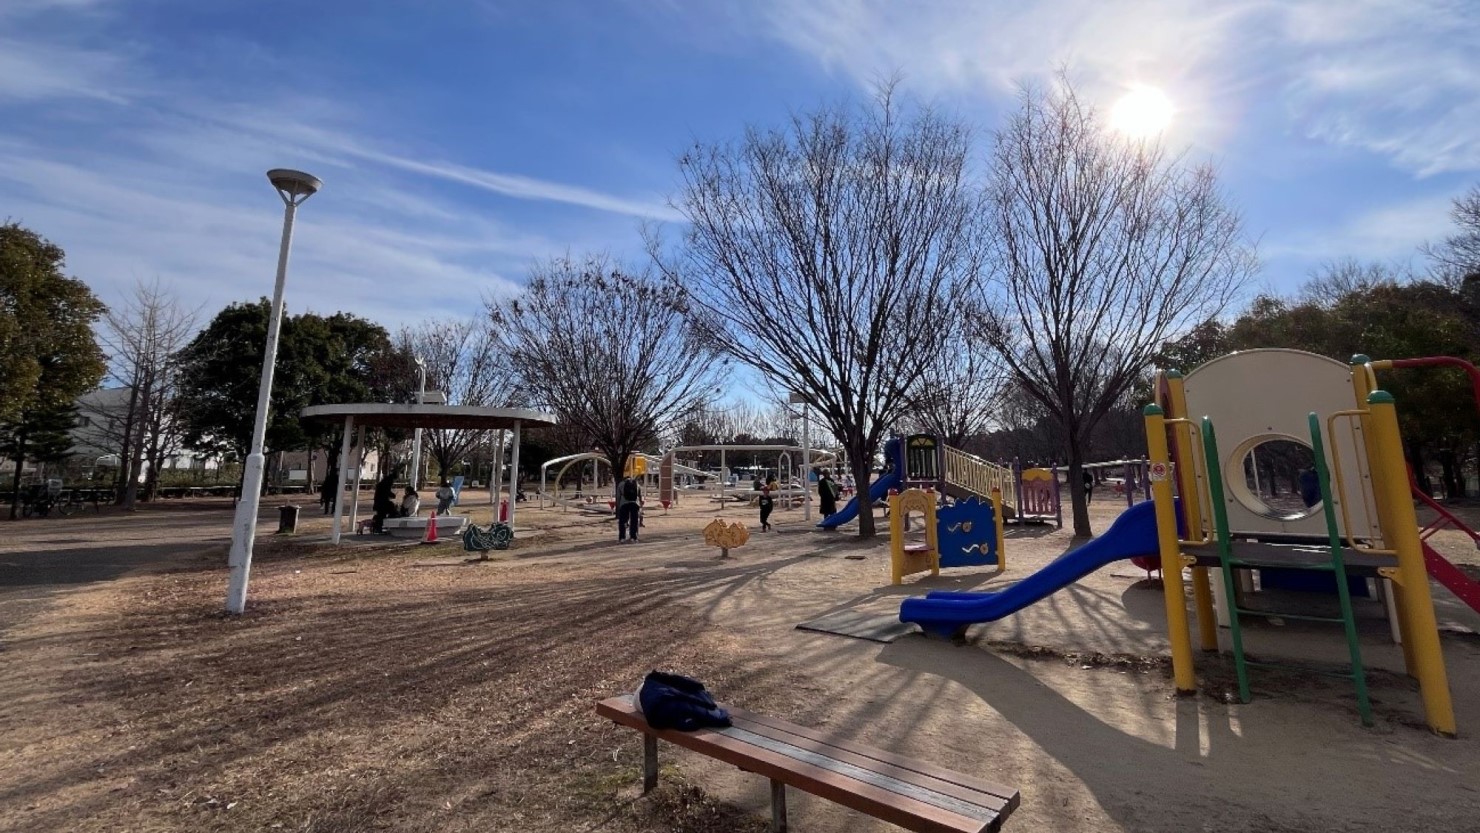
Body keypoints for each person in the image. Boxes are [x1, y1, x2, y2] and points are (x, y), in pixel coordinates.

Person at [371, 467, 400, 533]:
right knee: (384, 512)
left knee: (381, 514)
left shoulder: (385, 481)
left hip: (380, 501)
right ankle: (378, 527)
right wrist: (392, 495)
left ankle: (377, 527)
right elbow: (386, 491)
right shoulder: (389, 481)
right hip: (382, 502)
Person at [616, 474, 642, 543]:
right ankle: (633, 537)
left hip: (624, 504)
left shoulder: (621, 484)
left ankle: (622, 537)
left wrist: (618, 506)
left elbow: (618, 497)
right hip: (634, 503)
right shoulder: (636, 483)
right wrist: (640, 505)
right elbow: (639, 495)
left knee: (623, 521)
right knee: (634, 521)